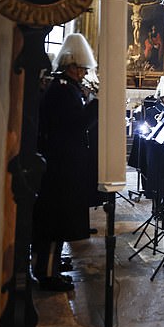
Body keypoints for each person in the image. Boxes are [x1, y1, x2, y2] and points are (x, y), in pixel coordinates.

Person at [33, 33, 99, 292]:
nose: (84, 73)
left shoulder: (65, 87)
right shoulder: (62, 90)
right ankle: (47, 274)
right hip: (59, 166)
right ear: (71, 66)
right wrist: (95, 107)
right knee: (54, 221)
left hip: (61, 163)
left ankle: (50, 265)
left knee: (57, 220)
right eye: (81, 68)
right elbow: (75, 125)